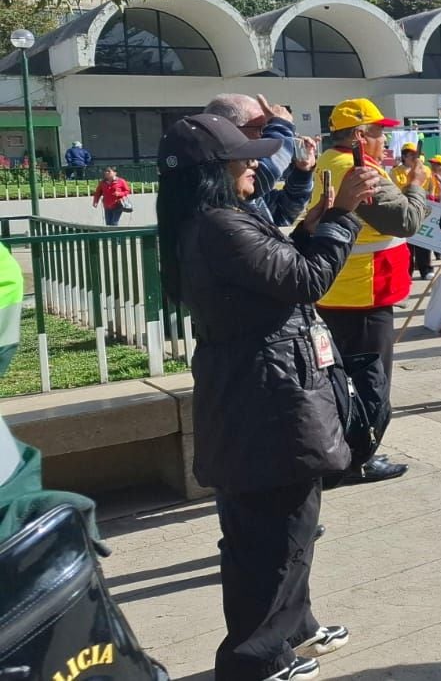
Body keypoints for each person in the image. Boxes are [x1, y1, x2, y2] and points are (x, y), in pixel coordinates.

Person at [154, 113, 382, 681]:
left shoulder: (221, 221)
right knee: (270, 537)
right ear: (210, 171)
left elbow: (279, 268)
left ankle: (295, 627)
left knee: (290, 526)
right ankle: (254, 659)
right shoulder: (218, 226)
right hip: (265, 398)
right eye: (242, 156)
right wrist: (346, 217)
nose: (254, 162)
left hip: (265, 389)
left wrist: (319, 220)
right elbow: (304, 281)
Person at [310, 98, 427, 485]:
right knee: (370, 384)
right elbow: (407, 221)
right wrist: (416, 186)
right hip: (365, 290)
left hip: (340, 290)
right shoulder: (358, 170)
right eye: (379, 132)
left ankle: (346, 451)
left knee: (342, 381)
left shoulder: (331, 160)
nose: (385, 138)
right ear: (360, 135)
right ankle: (362, 455)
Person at [203, 93, 318, 227]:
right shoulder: (212, 180)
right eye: (261, 128)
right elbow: (266, 172)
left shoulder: (249, 190)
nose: (264, 135)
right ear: (229, 130)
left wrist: (302, 173)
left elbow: (282, 213)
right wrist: (281, 126)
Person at [391, 143, 438, 280]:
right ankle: (407, 271)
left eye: (416, 154)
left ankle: (426, 268)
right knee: (407, 244)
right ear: (404, 156)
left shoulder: (426, 170)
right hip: (405, 208)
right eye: (411, 155)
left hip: (423, 208)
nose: (415, 157)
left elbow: (431, 189)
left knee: (424, 242)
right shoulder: (395, 172)